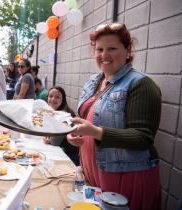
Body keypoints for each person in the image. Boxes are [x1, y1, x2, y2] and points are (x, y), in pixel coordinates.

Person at [66, 23, 161, 210]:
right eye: (99, 49)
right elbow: (84, 120)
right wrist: (74, 134)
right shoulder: (94, 81)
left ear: (127, 51)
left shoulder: (141, 84)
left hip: (124, 176)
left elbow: (143, 138)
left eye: (112, 49)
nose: (104, 55)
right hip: (92, 170)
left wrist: (95, 132)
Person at [43, 86, 79, 166]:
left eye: (57, 97)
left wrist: (50, 140)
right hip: (64, 151)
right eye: (51, 96)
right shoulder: (54, 112)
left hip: (71, 156)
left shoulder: (64, 115)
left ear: (62, 100)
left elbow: (55, 142)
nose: (53, 99)